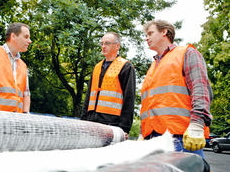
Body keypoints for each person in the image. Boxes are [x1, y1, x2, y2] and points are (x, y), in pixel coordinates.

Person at [139, 20, 213, 159]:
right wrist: (142, 134)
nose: (146, 38)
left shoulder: (187, 53)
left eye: (150, 33)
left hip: (181, 138)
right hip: (153, 140)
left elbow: (200, 90)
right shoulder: (152, 67)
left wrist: (197, 125)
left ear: (164, 32)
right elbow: (148, 105)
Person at [80, 32, 136, 139]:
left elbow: (129, 99)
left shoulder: (125, 67)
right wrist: (83, 121)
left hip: (112, 124)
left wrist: (124, 128)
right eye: (102, 44)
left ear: (117, 46)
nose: (103, 46)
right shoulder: (97, 67)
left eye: (107, 43)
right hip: (91, 122)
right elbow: (88, 97)